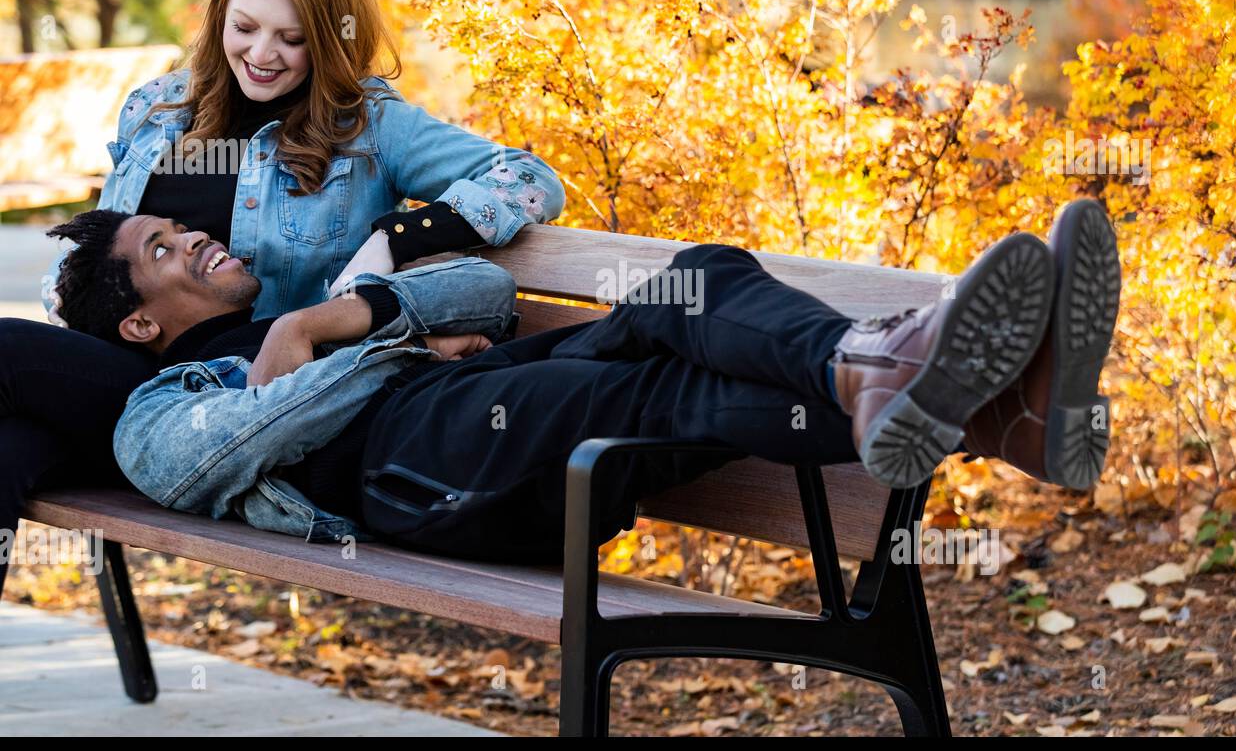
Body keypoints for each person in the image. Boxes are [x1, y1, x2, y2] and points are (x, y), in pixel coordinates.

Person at [47, 199, 1121, 566]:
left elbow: (472, 289)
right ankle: (927, 381)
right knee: (639, 392)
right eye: (160, 247)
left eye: (183, 226)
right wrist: (381, 354)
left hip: (475, 409)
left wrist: (326, 316)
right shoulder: (161, 405)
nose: (191, 236)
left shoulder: (305, 309)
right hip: (413, 477)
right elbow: (222, 453)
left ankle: (971, 405)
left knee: (693, 288)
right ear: (139, 319)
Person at [0, 0, 564, 593]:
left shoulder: (372, 127)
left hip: (228, 402)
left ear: (329, 36)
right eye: (245, 27)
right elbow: (101, 248)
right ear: (218, 18)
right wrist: (68, 290)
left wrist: (397, 237)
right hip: (123, 386)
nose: (262, 54)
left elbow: (529, 179)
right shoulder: (156, 108)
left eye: (291, 38)